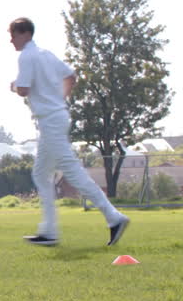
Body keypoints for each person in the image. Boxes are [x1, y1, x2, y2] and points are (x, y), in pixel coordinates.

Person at [8, 17, 129, 246]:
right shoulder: (47, 54)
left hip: (50, 120)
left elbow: (23, 89)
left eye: (13, 35)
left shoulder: (26, 56)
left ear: (24, 34)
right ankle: (49, 232)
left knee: (72, 173)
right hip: (55, 118)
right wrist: (58, 100)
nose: (11, 40)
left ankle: (114, 217)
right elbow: (71, 77)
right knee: (41, 174)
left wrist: (13, 86)